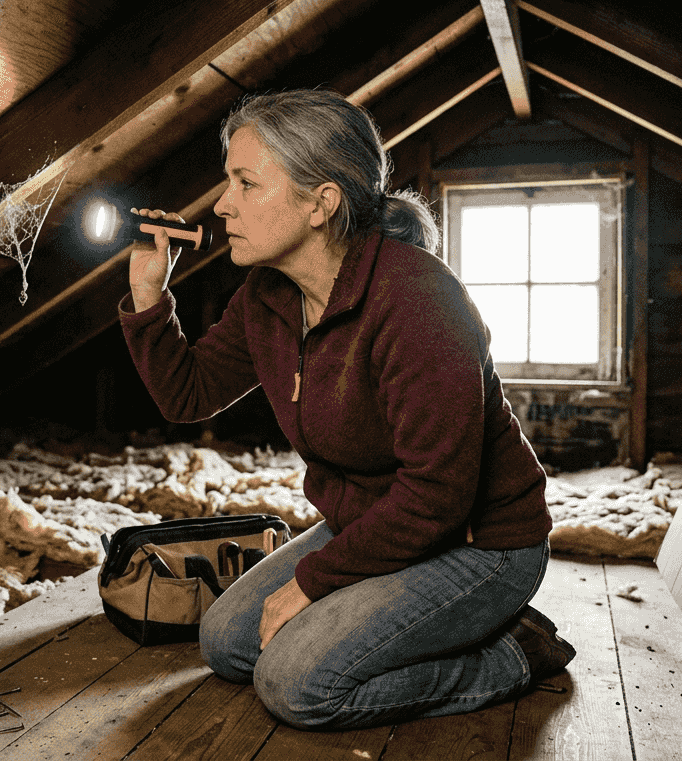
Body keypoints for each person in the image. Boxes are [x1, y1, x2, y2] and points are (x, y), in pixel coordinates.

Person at [117, 88, 574, 731]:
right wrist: (148, 299)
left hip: (481, 544)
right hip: (374, 524)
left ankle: (509, 654)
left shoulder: (417, 301)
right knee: (227, 644)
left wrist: (314, 581)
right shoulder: (267, 296)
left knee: (297, 686)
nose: (222, 204)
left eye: (247, 183)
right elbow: (188, 394)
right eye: (228, 181)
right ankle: (419, 626)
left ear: (321, 203)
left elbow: (440, 496)